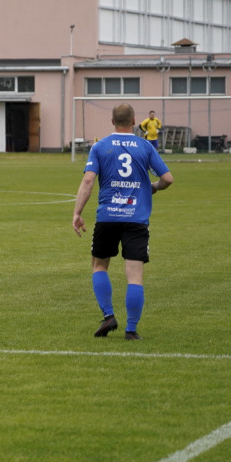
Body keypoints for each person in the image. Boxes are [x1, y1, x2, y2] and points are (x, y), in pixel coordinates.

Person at [72, 103, 174, 341]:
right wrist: (154, 187)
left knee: (99, 266)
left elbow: (88, 182)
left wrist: (77, 212)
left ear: (111, 122)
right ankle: (131, 330)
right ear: (134, 120)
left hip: (107, 216)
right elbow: (168, 178)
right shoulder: (145, 146)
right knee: (135, 275)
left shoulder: (100, 146)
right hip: (136, 219)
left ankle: (108, 316)